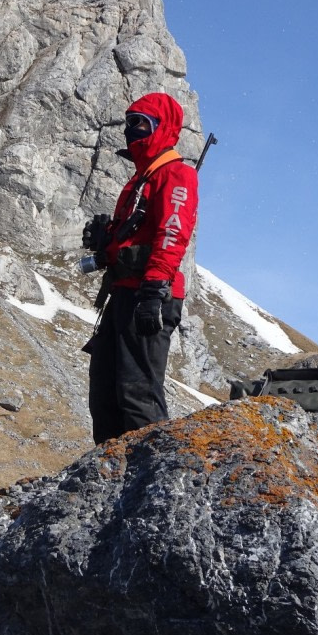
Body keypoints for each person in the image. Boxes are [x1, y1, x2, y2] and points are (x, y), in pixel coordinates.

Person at [82, 92, 200, 444]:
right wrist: (106, 242)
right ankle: (107, 481)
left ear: (161, 129)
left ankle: (149, 483)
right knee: (104, 396)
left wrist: (152, 292)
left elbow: (172, 233)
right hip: (122, 294)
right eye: (128, 123)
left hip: (149, 296)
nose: (131, 131)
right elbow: (137, 238)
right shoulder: (139, 180)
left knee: (137, 394)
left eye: (141, 123)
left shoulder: (175, 174)